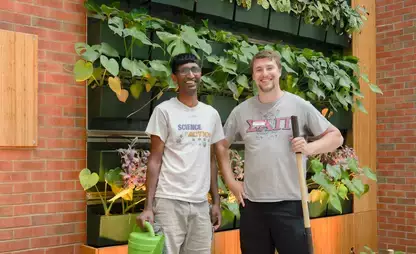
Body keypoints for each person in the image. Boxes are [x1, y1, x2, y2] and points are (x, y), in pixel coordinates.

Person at [220, 50, 344, 254]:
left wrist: (309, 148)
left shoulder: (298, 105)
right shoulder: (241, 111)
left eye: (269, 68)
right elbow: (221, 145)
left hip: (292, 203)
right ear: (253, 75)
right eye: (258, 69)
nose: (264, 73)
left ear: (279, 71)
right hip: (253, 206)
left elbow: (336, 137)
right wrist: (231, 182)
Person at [136, 53, 232, 254]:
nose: (191, 74)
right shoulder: (164, 111)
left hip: (200, 204)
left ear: (200, 75)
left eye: (195, 69)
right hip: (169, 201)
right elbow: (154, 160)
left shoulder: (211, 114)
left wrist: (216, 201)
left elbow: (211, 161)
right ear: (174, 78)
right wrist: (148, 207)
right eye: (184, 70)